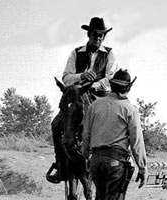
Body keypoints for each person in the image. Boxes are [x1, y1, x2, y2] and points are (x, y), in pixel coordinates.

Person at [81, 69, 146, 200]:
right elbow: (136, 141)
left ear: (112, 84)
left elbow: (86, 135)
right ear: (128, 87)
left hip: (96, 160)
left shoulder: (95, 106)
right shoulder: (130, 109)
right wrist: (142, 166)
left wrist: (86, 157)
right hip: (116, 162)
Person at [47, 17, 118, 183]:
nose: (98, 38)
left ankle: (116, 162)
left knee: (115, 123)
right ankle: (60, 165)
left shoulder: (109, 54)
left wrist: (94, 85)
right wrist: (82, 76)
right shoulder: (76, 52)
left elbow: (111, 77)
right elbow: (66, 77)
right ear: (89, 34)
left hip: (98, 95)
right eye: (95, 34)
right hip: (76, 96)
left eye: (102, 35)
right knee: (57, 124)